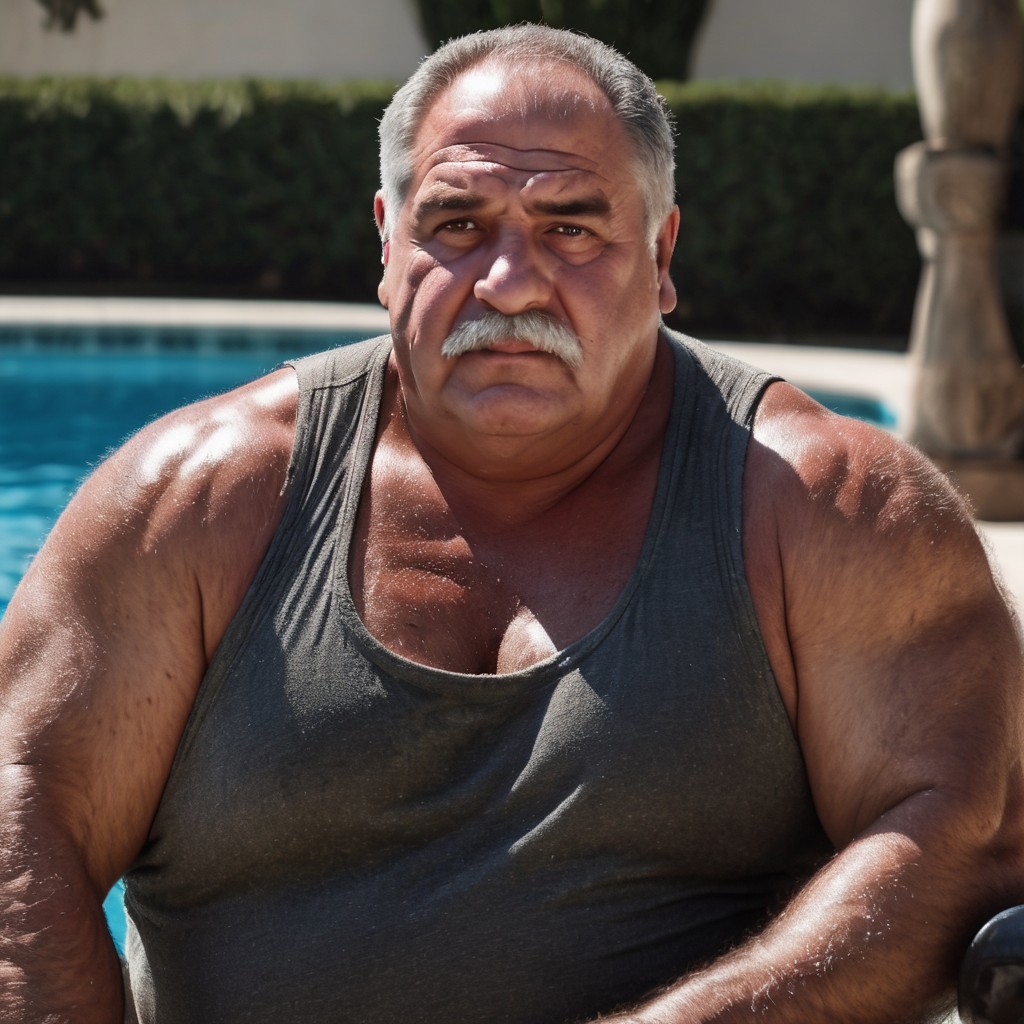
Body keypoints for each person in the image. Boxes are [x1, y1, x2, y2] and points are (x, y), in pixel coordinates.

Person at [1, 23, 1023, 1024]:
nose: (508, 280)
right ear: (387, 242)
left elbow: (968, 835)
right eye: (457, 225)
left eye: (570, 228)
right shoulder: (195, 503)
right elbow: (22, 805)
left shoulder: (829, 510)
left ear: (661, 254)